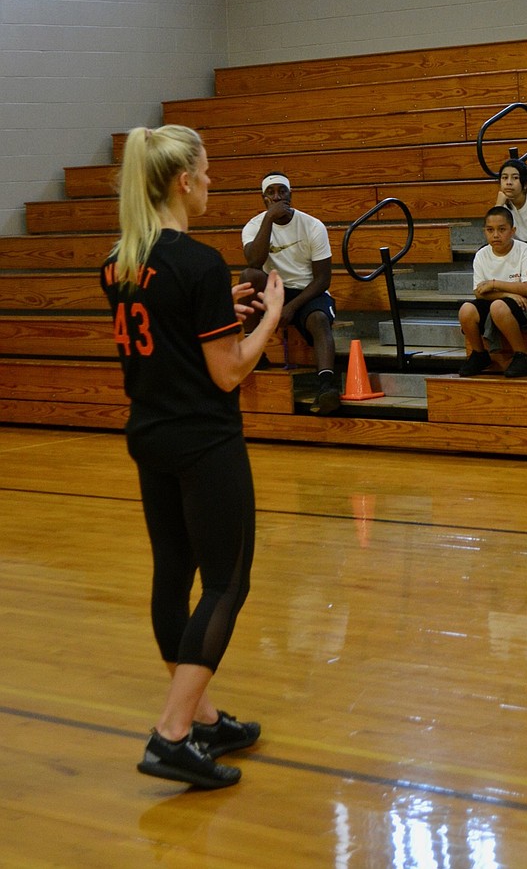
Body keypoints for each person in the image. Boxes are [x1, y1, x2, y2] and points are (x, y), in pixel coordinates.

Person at [100, 125, 284, 790]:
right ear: (183, 180)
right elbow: (229, 369)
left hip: (150, 433)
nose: (211, 182)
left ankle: (201, 717)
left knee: (173, 573)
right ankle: (172, 732)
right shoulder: (201, 262)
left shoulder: (119, 261)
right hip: (205, 439)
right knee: (227, 583)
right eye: (206, 173)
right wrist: (270, 316)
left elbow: (169, 328)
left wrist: (218, 309)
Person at [240, 173, 340, 415]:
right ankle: (256, 354)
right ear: (263, 198)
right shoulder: (254, 226)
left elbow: (323, 279)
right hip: (275, 288)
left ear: (290, 195)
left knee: (318, 320)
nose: (277, 197)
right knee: (248, 276)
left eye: (282, 191)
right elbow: (254, 261)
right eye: (271, 192)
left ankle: (326, 386)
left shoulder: (312, 225)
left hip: (308, 290)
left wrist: (292, 306)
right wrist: (268, 221)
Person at [457, 206, 527, 377]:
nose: (495, 235)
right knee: (466, 310)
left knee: (498, 307)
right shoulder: (482, 254)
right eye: (490, 230)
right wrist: (507, 294)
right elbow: (479, 293)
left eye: (502, 229)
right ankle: (480, 354)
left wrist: (494, 284)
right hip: (501, 300)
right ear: (484, 231)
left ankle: (523, 355)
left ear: (513, 231)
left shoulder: (525, 250)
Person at [494, 157, 527, 249]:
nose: (509, 182)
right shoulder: (503, 203)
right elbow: (494, 236)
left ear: (525, 184)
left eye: (515, 178)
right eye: (505, 178)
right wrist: (498, 207)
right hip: (516, 248)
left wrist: (523, 259)